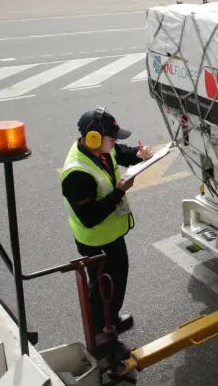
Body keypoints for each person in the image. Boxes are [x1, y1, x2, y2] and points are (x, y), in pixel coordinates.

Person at [60, 107, 154, 335]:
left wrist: (139, 153)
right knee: (103, 286)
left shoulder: (99, 150)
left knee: (115, 279)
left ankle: (110, 318)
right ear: (93, 138)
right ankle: (102, 331)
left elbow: (122, 153)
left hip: (111, 235)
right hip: (96, 241)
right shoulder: (77, 174)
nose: (115, 142)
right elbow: (90, 217)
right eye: (111, 138)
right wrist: (119, 192)